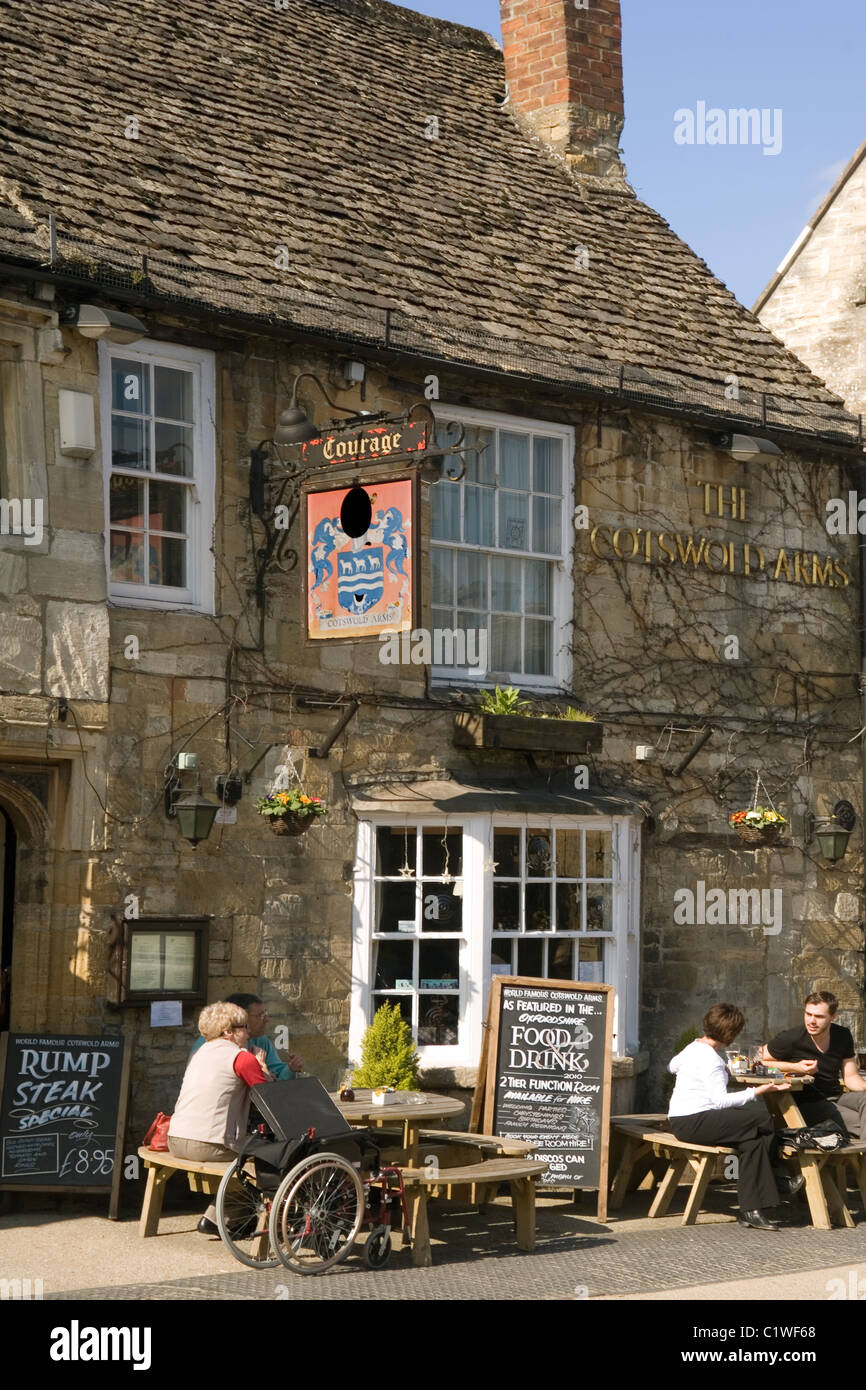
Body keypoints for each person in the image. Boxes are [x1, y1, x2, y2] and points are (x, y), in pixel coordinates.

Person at [668, 1002, 801, 1231]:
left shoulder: (694, 1047)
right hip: (695, 1121)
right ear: (731, 1034)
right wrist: (757, 1091)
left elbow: (672, 1066)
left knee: (752, 1142)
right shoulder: (712, 1060)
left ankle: (751, 1211)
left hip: (681, 1120)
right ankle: (776, 1178)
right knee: (764, 1120)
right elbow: (720, 1101)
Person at [169, 1001, 272, 1236]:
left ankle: (214, 1218)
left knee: (250, 1150)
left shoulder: (200, 1052)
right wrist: (262, 1065)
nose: (248, 1033)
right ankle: (232, 1220)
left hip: (175, 1138)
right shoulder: (241, 1058)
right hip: (207, 1143)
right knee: (266, 1158)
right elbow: (270, 1097)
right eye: (244, 1027)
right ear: (228, 1032)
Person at [763, 991, 866, 1140]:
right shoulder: (793, 1037)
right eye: (808, 1014)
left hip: (836, 1096)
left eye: (819, 1017)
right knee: (859, 1123)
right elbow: (759, 1061)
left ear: (833, 1017)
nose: (811, 1021)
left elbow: (851, 1078)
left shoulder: (842, 1035)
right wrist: (796, 1067)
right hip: (807, 1103)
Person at [189, 993, 304, 1080]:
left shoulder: (260, 1040)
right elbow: (264, 1089)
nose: (266, 1020)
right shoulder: (211, 1044)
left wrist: (290, 1068)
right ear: (241, 1017)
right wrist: (263, 1069)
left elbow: (276, 1073)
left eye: (265, 1014)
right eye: (260, 1015)